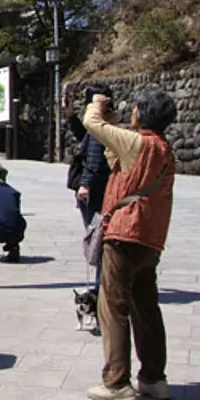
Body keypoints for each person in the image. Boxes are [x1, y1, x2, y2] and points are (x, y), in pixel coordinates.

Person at [83, 89, 177, 400]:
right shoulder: (163, 149)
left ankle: (116, 382)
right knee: (146, 308)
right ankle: (154, 378)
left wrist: (97, 103)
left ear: (141, 113)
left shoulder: (139, 143)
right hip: (150, 238)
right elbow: (119, 162)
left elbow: (90, 123)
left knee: (112, 307)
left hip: (125, 234)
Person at [68, 84, 113, 296]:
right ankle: (102, 282)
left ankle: (101, 285)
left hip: (95, 191)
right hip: (103, 188)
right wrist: (71, 118)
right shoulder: (106, 124)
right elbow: (85, 138)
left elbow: (94, 156)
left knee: (97, 236)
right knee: (100, 236)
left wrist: (84, 184)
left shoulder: (99, 129)